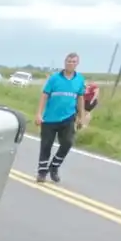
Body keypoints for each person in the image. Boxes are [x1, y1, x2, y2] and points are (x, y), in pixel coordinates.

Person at [35, 51, 90, 183]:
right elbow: (44, 95)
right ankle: (42, 172)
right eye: (68, 61)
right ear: (65, 63)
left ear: (77, 64)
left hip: (68, 118)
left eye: (73, 62)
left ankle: (54, 167)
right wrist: (39, 114)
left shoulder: (79, 80)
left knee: (67, 143)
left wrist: (81, 117)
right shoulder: (54, 78)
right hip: (50, 119)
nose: (70, 64)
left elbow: (80, 98)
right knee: (46, 145)